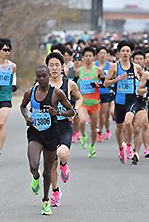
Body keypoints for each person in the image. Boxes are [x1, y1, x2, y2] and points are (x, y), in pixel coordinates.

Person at [20, 65, 75, 215]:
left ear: (49, 75)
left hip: (51, 135)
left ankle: (45, 201)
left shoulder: (57, 93)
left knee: (48, 172)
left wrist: (57, 112)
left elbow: (72, 111)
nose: (42, 79)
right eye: (39, 76)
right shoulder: (30, 93)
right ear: (36, 78)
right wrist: (27, 117)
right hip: (35, 133)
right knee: (33, 164)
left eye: (44, 75)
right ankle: (35, 177)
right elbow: (23, 107)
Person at [45, 53, 83, 207]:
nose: (54, 68)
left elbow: (80, 98)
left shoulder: (70, 84)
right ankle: (55, 191)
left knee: (61, 154)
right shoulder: (42, 84)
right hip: (49, 127)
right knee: (51, 162)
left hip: (64, 125)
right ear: (47, 67)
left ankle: (64, 164)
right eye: (51, 65)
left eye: (57, 65)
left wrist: (74, 111)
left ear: (62, 67)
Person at [104, 41, 145, 164]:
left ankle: (128, 145)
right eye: (123, 51)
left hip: (132, 99)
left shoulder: (136, 67)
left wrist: (141, 84)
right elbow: (106, 83)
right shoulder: (114, 67)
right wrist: (117, 79)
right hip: (119, 100)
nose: (125, 53)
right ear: (119, 53)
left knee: (128, 122)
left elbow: (145, 78)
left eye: (128, 51)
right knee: (119, 127)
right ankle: (121, 148)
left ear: (131, 53)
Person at [77, 47, 103, 158]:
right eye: (86, 56)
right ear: (83, 58)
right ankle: (83, 135)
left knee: (93, 128)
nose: (88, 58)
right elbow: (74, 84)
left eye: (90, 56)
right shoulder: (79, 71)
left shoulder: (98, 70)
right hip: (83, 102)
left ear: (94, 57)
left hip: (94, 103)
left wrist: (97, 85)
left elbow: (103, 83)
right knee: (82, 121)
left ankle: (92, 146)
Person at [131, 50, 149, 164]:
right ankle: (128, 147)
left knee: (139, 127)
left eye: (141, 59)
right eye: (136, 59)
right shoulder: (129, 73)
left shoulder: (148, 75)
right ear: (133, 61)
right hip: (130, 102)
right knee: (129, 126)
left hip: (142, 102)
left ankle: (137, 153)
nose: (138, 61)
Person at [95, 46, 114, 141]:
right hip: (95, 93)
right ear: (97, 55)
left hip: (106, 93)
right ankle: (99, 131)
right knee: (98, 114)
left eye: (104, 53)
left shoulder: (111, 66)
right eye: (101, 53)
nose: (102, 55)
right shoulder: (94, 66)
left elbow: (114, 78)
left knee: (105, 115)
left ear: (107, 55)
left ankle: (106, 130)